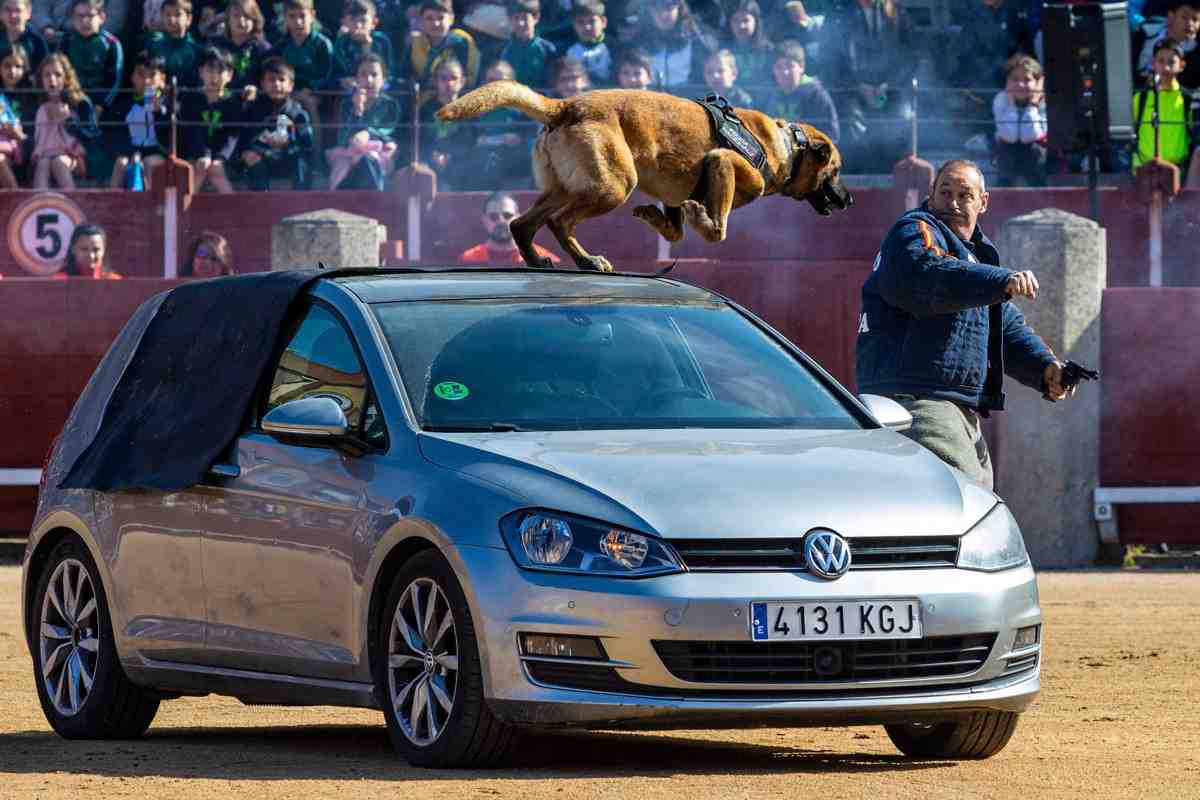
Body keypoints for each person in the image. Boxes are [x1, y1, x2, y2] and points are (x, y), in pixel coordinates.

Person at [855, 159, 1074, 491]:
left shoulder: (976, 260)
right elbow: (924, 272)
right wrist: (1000, 281)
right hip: (918, 403)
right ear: (930, 196)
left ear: (983, 202)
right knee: (963, 503)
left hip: (957, 412)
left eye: (964, 195)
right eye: (945, 193)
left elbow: (1005, 327)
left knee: (974, 508)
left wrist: (1045, 370)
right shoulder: (915, 230)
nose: (953, 203)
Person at [238, 55, 315, 189]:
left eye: (281, 80)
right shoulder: (253, 110)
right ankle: (259, 203)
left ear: (291, 85)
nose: (276, 84)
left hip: (289, 159)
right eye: (271, 80)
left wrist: (288, 142)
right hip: (263, 158)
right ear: (262, 84)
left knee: (301, 161)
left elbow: (307, 143)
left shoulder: (298, 113)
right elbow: (245, 139)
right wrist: (251, 151)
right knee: (252, 160)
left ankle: (303, 201)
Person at [326, 52, 400, 188]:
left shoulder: (391, 104)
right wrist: (357, 110)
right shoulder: (346, 104)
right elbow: (343, 138)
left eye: (374, 75)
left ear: (383, 79)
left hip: (380, 152)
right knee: (342, 167)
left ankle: (376, 202)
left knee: (368, 159)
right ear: (356, 80)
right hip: (349, 153)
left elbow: (387, 132)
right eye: (363, 75)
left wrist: (367, 133)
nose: (369, 80)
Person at [30, 53, 101, 189]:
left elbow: (92, 139)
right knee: (43, 163)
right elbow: (40, 141)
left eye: (57, 75)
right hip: (47, 155)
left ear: (67, 78)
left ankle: (72, 206)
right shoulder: (40, 107)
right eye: (47, 75)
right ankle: (40, 206)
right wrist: (37, 155)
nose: (52, 80)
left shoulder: (80, 103)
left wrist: (67, 121)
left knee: (58, 161)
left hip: (75, 156)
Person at [180, 46, 242, 192]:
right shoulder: (191, 99)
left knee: (216, 170)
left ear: (230, 75)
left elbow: (232, 135)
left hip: (225, 155)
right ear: (201, 72)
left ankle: (237, 212)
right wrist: (203, 155)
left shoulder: (233, 102)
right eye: (210, 70)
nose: (214, 76)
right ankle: (183, 209)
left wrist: (220, 158)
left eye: (220, 71)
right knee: (202, 166)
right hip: (196, 151)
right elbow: (192, 131)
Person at [108, 51, 168, 189]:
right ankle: (111, 201)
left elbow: (171, 135)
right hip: (132, 149)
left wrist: (161, 111)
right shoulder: (125, 105)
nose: (146, 81)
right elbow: (119, 135)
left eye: (152, 76)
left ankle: (152, 204)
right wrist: (131, 153)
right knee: (121, 162)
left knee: (150, 162)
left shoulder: (167, 103)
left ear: (162, 80)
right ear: (133, 78)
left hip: (157, 150)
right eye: (141, 75)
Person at [762, 40, 838, 142]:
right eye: (779, 67)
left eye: (790, 66)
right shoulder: (769, 95)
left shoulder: (816, 94)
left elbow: (831, 134)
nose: (785, 72)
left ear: (802, 67)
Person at [58, 0, 124, 115]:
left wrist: (101, 105)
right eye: (80, 16)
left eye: (90, 15)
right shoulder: (66, 42)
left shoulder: (111, 44)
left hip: (101, 104)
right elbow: (60, 74)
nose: (85, 21)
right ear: (72, 19)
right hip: (72, 101)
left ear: (101, 17)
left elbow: (115, 81)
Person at [458, 191, 560, 264]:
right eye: (494, 216)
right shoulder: (468, 260)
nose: (501, 221)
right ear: (484, 221)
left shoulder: (543, 259)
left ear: (518, 219)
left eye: (507, 216)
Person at [993, 53, 1048, 187]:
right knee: (1006, 151)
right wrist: (1011, 105)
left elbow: (1030, 136)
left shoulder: (1043, 101)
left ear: (1037, 83)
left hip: (1035, 154)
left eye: (1027, 80)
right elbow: (1010, 137)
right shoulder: (1001, 99)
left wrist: (1033, 105)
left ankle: (1040, 195)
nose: (1021, 84)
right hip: (1008, 152)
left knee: (1035, 150)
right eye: (1015, 79)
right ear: (1007, 82)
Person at [1133, 0, 1200, 89]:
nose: (1190, 24)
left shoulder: (1196, 55)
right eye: (1184, 17)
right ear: (1171, 17)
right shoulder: (1143, 33)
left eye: (1195, 19)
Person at [213, 0, 271, 100]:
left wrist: (256, 89)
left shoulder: (263, 49)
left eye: (247, 16)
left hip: (254, 102)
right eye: (236, 16)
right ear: (228, 19)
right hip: (222, 101)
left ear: (255, 20)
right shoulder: (217, 46)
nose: (241, 21)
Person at [331, 0, 394, 90]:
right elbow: (335, 73)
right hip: (351, 90)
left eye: (363, 20)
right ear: (345, 22)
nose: (358, 25)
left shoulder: (382, 41)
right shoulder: (342, 43)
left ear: (374, 23)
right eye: (353, 20)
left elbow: (390, 72)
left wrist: (367, 45)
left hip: (379, 89)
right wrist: (343, 80)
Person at [144, 0, 204, 86]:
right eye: (167, 14)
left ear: (189, 19)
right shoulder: (153, 46)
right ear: (161, 16)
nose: (171, 19)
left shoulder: (197, 51)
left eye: (178, 15)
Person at [500, 0, 556, 89]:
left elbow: (552, 81)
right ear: (509, 19)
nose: (520, 23)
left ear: (536, 18)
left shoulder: (547, 49)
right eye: (516, 18)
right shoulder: (504, 49)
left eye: (525, 18)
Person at [722, 0, 772, 89]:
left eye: (746, 20)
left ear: (756, 22)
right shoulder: (722, 50)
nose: (741, 26)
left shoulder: (768, 49)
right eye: (736, 20)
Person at [564, 0, 611, 86]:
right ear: (574, 25)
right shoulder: (568, 51)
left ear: (603, 22)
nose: (587, 27)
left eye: (592, 21)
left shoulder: (615, 48)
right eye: (580, 22)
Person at [52, 223, 123, 279]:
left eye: (96, 250)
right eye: (84, 249)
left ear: (104, 250)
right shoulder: (59, 281)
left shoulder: (114, 282)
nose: (91, 256)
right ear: (73, 249)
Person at [0, 0, 47, 74]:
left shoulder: (37, 42)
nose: (13, 15)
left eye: (18, 10)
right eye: (8, 10)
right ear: (1, 13)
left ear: (28, 13)